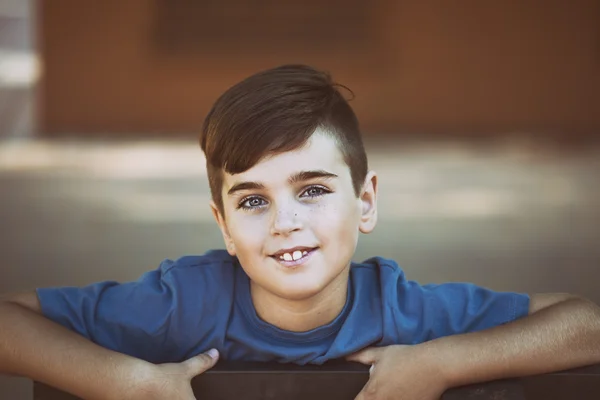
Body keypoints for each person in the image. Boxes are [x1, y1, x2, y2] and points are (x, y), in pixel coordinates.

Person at [1, 65, 599, 400]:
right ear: (224, 227)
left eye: (312, 190)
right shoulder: (183, 301)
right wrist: (127, 381)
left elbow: (587, 326)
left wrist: (442, 363)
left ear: (365, 203)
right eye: (254, 200)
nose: (286, 221)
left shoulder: (401, 310)